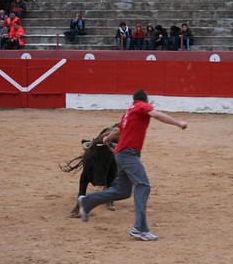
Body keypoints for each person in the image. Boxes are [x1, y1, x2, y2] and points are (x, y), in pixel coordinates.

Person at [77, 89, 188, 241]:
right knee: (143, 185)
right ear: (145, 101)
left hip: (121, 154)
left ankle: (87, 201)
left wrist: (106, 138)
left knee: (122, 191)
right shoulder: (142, 106)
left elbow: (119, 131)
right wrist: (178, 123)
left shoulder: (128, 112)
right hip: (129, 154)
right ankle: (140, 229)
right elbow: (156, 115)